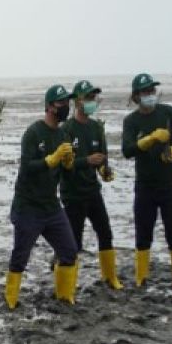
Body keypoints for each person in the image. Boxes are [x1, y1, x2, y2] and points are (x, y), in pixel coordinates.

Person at [4, 86, 80, 308]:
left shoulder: (64, 133)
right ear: (48, 106)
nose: (65, 107)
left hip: (52, 206)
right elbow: (26, 168)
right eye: (60, 103)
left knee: (69, 252)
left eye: (67, 103)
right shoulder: (33, 133)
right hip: (27, 206)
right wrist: (51, 159)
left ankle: (64, 297)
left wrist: (68, 164)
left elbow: (68, 173)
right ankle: (10, 301)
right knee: (20, 257)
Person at [121, 73, 172, 291]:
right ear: (135, 96)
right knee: (143, 233)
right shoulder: (131, 121)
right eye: (145, 92)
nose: (150, 95)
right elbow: (127, 150)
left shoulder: (169, 113)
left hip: (170, 184)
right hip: (145, 187)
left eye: (152, 91)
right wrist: (149, 140)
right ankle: (141, 277)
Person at [62, 80, 122, 289]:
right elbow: (63, 165)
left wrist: (105, 171)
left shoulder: (97, 127)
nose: (91, 102)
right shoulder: (67, 129)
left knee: (105, 232)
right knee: (73, 242)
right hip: (73, 194)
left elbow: (102, 158)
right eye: (87, 97)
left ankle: (110, 277)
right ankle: (68, 283)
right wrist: (86, 161)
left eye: (93, 98)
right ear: (77, 101)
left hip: (93, 191)